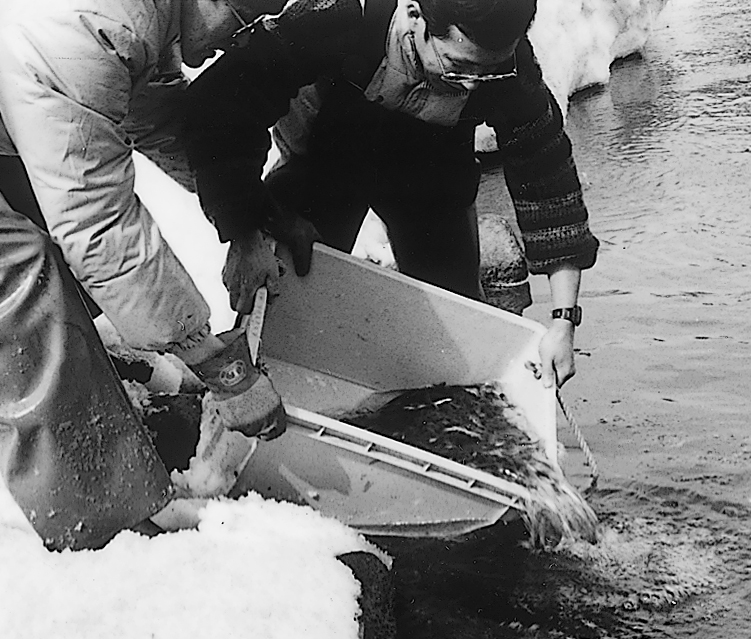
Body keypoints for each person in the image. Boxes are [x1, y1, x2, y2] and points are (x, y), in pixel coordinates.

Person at [0, 0, 293, 552]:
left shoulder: (140, 18)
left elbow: (151, 116)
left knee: (53, 228)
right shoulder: (89, 20)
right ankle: (107, 529)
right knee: (14, 277)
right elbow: (95, 221)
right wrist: (215, 362)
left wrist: (247, 218)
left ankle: (102, 387)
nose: (237, 42)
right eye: (242, 21)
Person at [184, 0, 597, 389]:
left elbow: (548, 180)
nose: (473, 84)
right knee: (285, 299)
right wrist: (245, 232)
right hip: (325, 159)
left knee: (457, 329)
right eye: (458, 68)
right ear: (416, 17)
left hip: (430, 168)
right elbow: (221, 108)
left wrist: (563, 322)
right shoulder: (339, 17)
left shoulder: (506, 68)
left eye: (487, 73)